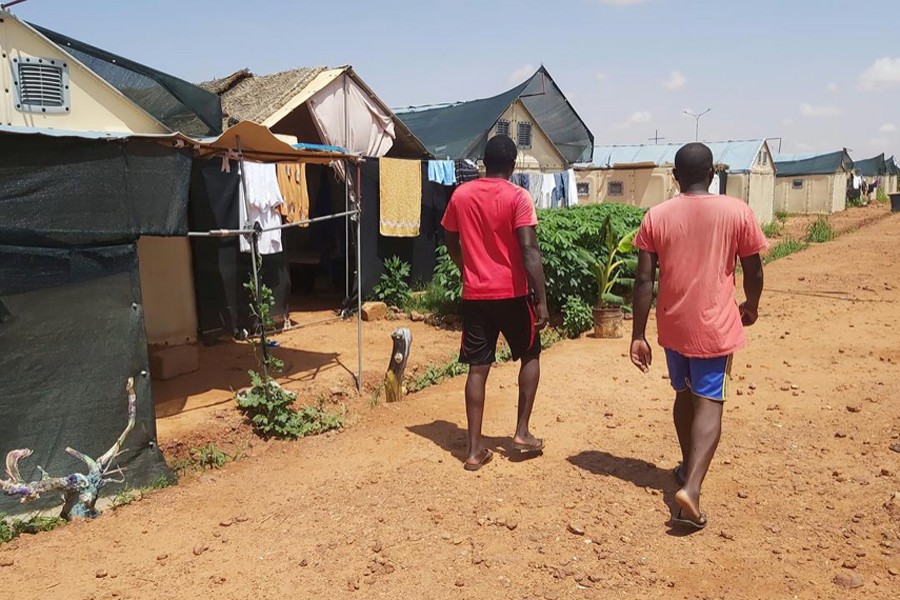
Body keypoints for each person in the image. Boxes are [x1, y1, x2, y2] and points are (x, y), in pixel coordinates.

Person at [629, 142, 767, 529]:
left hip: (673, 325)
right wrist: (751, 305)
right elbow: (753, 270)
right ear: (712, 174)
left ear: (675, 177)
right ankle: (692, 487)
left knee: (684, 395)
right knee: (710, 402)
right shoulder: (736, 211)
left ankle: (687, 466)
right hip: (715, 325)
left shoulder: (656, 216)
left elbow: (643, 280)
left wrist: (637, 334)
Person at [441, 135, 550, 471]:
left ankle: (474, 451)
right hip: (514, 294)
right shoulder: (518, 197)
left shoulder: (461, 194)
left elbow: (449, 237)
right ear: (513, 165)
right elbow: (529, 250)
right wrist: (542, 301)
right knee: (530, 354)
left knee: (478, 368)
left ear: (484, 163)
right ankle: (521, 433)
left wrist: (466, 268)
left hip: (476, 295)